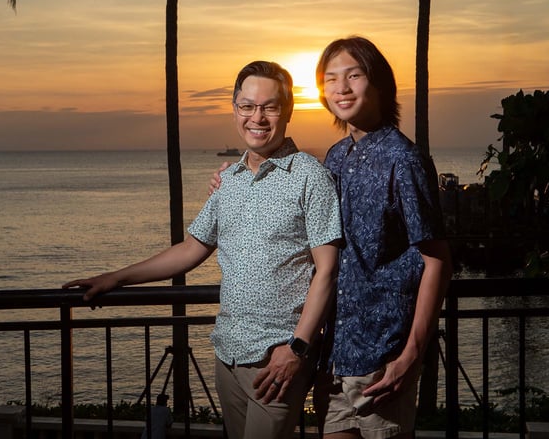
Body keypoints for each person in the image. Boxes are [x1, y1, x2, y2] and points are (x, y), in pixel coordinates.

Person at [63, 60, 341, 439]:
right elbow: (192, 248)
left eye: (269, 106)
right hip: (226, 355)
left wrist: (296, 349)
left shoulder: (310, 176)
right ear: (234, 110)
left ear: (288, 111)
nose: (257, 117)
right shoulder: (227, 181)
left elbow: (327, 270)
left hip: (276, 361)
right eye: (247, 105)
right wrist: (116, 277)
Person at [209, 37, 452, 439]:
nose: (340, 88)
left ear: (379, 84)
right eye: (330, 78)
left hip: (382, 354)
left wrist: (411, 355)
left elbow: (437, 260)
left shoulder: (404, 160)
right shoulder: (337, 157)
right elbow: (296, 201)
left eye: (353, 76)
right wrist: (233, 178)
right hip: (332, 355)